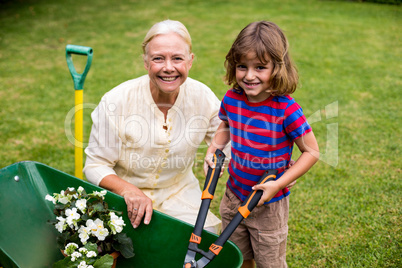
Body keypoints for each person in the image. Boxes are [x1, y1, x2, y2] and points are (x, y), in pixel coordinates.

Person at [84, 20, 225, 234]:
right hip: (123, 196)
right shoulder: (117, 100)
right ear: (145, 62)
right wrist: (128, 190)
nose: (168, 67)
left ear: (190, 61)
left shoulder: (202, 97)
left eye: (177, 58)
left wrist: (220, 154)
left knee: (201, 241)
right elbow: (95, 166)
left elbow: (230, 137)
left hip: (179, 193)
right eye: (158, 58)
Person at [204, 21, 319, 267]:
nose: (249, 75)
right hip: (234, 196)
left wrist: (278, 183)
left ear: (277, 68)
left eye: (260, 67)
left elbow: (311, 151)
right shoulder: (232, 98)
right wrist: (214, 148)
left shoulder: (286, 108)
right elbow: (225, 125)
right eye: (242, 66)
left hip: (269, 204)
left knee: (270, 262)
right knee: (238, 256)